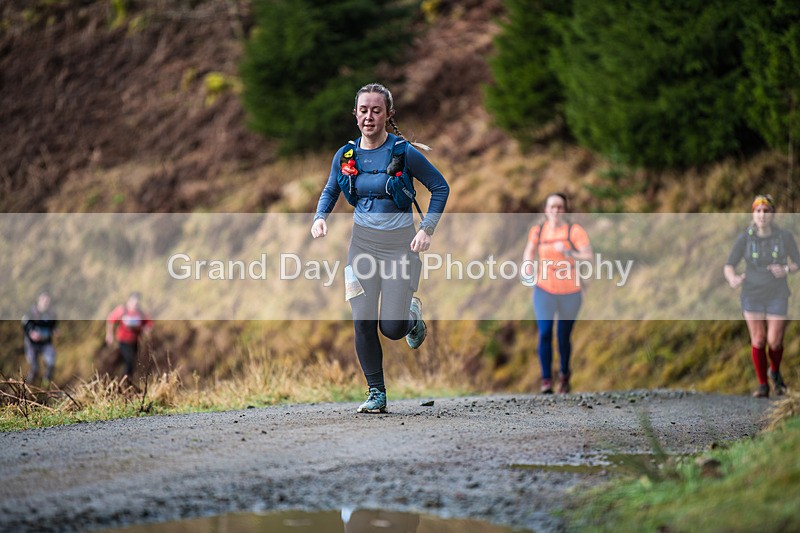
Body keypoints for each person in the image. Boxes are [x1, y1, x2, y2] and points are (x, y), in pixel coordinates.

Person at [311, 82, 450, 414]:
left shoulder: (403, 153)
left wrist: (427, 230)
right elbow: (331, 190)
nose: (369, 116)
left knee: (391, 327)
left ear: (389, 114)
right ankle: (376, 393)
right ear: (355, 114)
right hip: (362, 246)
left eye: (376, 110)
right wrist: (320, 218)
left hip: (400, 247)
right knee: (362, 321)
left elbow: (440, 187)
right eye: (363, 110)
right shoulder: (346, 155)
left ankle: (411, 315)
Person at [724, 194, 798, 398]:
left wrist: (786, 268)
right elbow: (729, 265)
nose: (762, 215)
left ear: (773, 214)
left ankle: (774, 371)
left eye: (766, 211)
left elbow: (797, 262)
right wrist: (733, 279)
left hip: (777, 293)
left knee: (774, 341)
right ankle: (763, 385)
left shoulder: (784, 237)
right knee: (758, 338)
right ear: (753, 214)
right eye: (758, 211)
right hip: (752, 293)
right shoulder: (745, 238)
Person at [522, 193, 593, 394]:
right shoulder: (538, 231)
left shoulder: (575, 231)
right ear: (545, 210)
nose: (556, 211)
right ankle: (546, 380)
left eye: (560, 207)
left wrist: (569, 252)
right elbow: (529, 251)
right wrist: (527, 266)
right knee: (544, 333)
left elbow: (588, 257)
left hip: (571, 291)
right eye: (552, 207)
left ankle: (564, 374)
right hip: (544, 289)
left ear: (565, 210)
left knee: (563, 336)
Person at [105, 292, 153, 379]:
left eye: (137, 303)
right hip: (123, 341)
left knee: (132, 361)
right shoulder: (123, 310)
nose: (134, 305)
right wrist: (109, 334)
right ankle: (125, 380)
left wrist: (147, 331)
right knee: (128, 360)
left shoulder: (140, 313)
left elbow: (148, 325)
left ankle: (126, 379)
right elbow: (110, 319)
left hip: (135, 342)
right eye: (133, 302)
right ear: (129, 301)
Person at [21, 290, 58, 384]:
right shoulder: (31, 312)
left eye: (48, 301)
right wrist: (31, 332)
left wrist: (55, 330)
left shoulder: (51, 313)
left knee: (51, 362)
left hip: (46, 343)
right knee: (35, 368)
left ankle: (45, 386)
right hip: (32, 344)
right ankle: (28, 388)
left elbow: (53, 325)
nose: (46, 303)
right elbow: (25, 324)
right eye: (44, 300)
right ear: (39, 300)